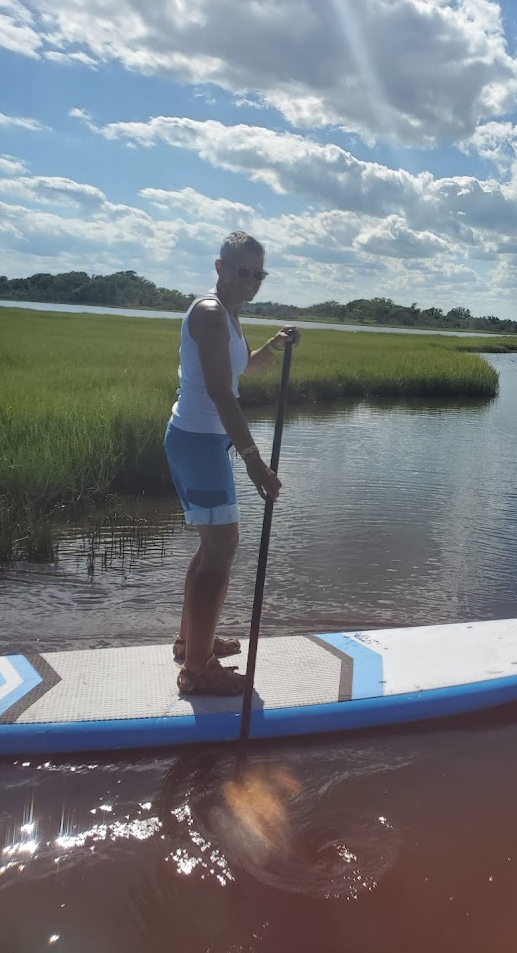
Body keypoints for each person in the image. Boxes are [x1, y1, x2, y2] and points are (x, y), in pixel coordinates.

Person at [163, 230, 300, 696]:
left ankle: (190, 643)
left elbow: (240, 372)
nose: (251, 281)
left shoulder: (228, 315)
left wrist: (274, 346)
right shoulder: (208, 313)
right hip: (200, 442)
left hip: (202, 441)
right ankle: (197, 672)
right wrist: (254, 460)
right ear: (220, 268)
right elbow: (221, 393)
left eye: (258, 273)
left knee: (212, 548)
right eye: (242, 271)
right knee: (221, 550)